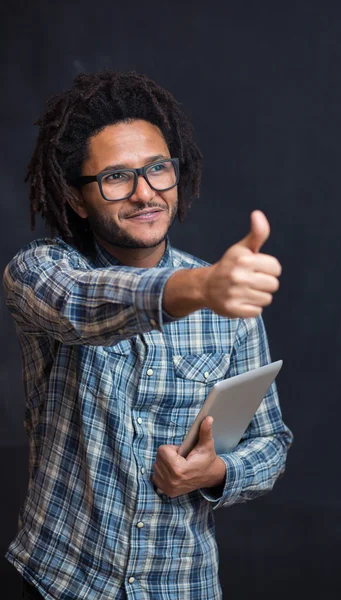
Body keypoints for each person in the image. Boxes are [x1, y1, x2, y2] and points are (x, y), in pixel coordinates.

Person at [3, 70, 293, 600]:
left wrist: (216, 472)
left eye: (158, 169)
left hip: (182, 587)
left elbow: (271, 443)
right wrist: (202, 287)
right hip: (59, 584)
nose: (145, 193)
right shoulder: (39, 272)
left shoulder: (229, 303)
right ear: (74, 196)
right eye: (117, 177)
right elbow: (82, 303)